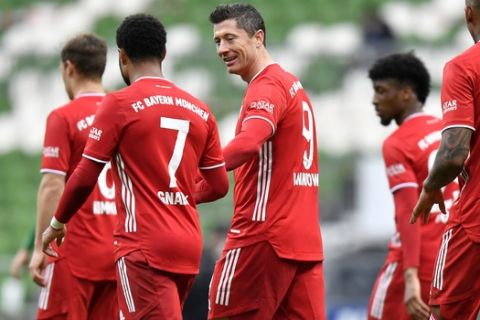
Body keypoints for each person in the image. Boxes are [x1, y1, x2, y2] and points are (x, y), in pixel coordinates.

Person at [41, 14, 228, 320]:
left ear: (122, 57)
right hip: (188, 244)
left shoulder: (118, 104)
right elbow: (219, 185)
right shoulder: (200, 110)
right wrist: (176, 196)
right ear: (163, 54)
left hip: (143, 248)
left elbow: (85, 176)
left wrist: (57, 223)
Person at [207, 4, 325, 319]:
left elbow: (247, 144)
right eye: (217, 41)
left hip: (262, 237)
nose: (222, 48)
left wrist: (189, 170)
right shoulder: (291, 84)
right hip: (303, 242)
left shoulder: (268, 86)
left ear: (258, 37)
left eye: (230, 38)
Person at [28, 33, 118, 320]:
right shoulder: (124, 114)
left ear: (69, 68)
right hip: (117, 252)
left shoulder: (63, 117)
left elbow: (53, 184)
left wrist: (40, 248)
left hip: (73, 253)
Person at [366, 53, 459, 320]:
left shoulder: (397, 144)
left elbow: (409, 212)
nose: (374, 100)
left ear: (406, 93)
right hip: (449, 261)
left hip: (413, 263)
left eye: (381, 91)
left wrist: (410, 276)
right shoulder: (447, 131)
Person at [411, 1, 480, 318]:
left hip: (475, 222)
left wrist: (430, 186)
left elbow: (454, 155)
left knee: (444, 312)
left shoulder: (464, 66)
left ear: (468, 13)